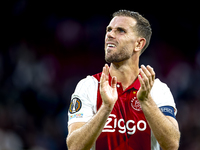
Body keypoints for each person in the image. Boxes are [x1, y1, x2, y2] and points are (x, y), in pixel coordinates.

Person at [66, 10, 180, 150]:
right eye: (109, 30)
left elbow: (172, 145)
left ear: (138, 44)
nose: (110, 34)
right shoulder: (88, 86)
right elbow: (74, 146)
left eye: (120, 31)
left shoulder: (157, 89)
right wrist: (106, 108)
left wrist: (146, 101)